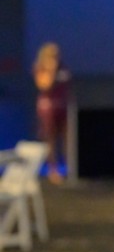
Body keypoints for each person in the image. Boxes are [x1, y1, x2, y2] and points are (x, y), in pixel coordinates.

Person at [31, 42, 71, 182]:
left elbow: (68, 86)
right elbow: (44, 85)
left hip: (63, 107)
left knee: (68, 138)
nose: (55, 57)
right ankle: (52, 170)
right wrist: (51, 70)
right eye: (52, 54)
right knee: (50, 139)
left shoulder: (63, 67)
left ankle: (69, 168)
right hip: (48, 107)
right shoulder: (41, 67)